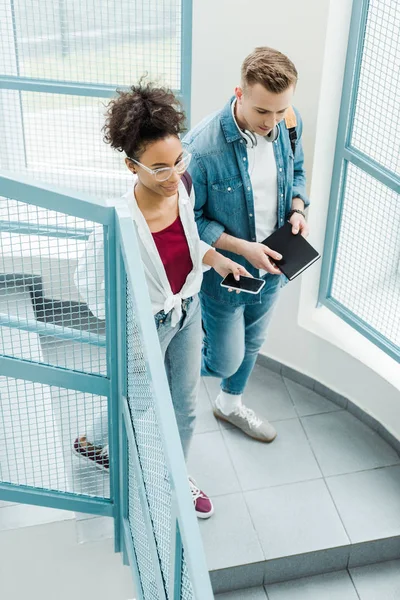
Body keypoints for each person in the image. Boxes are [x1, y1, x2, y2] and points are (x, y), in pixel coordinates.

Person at [72, 82, 250, 519]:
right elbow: (88, 283)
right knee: (137, 399)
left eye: (178, 162)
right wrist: (130, 316)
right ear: (131, 166)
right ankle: (95, 444)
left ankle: (175, 475)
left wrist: (218, 261)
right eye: (159, 168)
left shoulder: (182, 192)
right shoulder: (117, 223)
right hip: (145, 324)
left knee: (184, 403)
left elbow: (188, 243)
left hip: (186, 314)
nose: (173, 176)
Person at [183, 47, 310, 442]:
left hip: (274, 264)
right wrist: (243, 248)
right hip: (226, 274)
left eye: (280, 111)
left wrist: (298, 207)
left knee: (253, 341)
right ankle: (165, 368)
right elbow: (192, 220)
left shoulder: (288, 122)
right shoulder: (201, 150)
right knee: (223, 360)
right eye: (262, 112)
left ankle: (229, 405)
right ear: (239, 93)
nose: (272, 123)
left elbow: (298, 170)